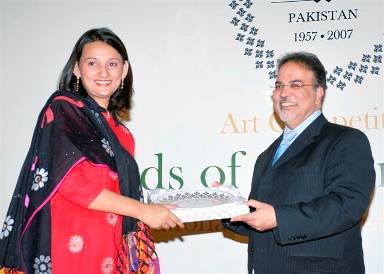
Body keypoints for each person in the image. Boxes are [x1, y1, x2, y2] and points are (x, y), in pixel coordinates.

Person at [0, 28, 183, 274]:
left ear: (124, 70)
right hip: (70, 245)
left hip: (110, 245)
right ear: (77, 69)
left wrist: (160, 207)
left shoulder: (123, 134)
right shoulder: (64, 110)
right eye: (92, 63)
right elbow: (70, 183)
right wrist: (143, 211)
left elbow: (118, 191)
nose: (103, 73)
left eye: (112, 64)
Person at [224, 52, 375, 274]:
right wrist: (227, 207)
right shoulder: (266, 156)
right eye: (279, 85)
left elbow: (347, 205)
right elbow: (263, 220)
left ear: (319, 94)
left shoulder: (346, 140)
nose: (284, 93)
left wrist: (278, 218)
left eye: (295, 84)